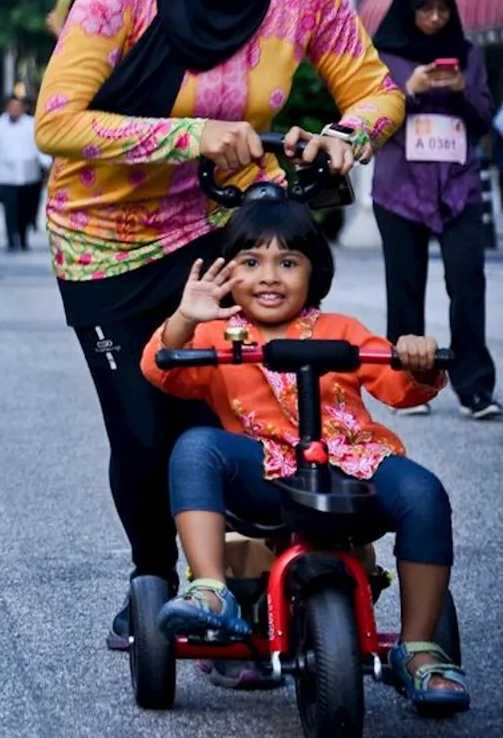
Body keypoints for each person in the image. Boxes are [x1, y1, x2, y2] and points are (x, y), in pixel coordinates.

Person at [35, 0, 404, 649]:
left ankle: (257, 581)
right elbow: (56, 120)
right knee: (142, 425)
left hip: (231, 231)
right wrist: (190, 135)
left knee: (252, 410)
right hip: (107, 240)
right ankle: (154, 578)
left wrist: (346, 137)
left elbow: (379, 91)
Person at [142, 198, 467, 714]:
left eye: (287, 263)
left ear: (314, 271)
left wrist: (418, 362)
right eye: (250, 263)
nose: (268, 278)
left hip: (350, 466)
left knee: (424, 492)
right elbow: (163, 370)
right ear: (227, 273)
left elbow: (400, 388)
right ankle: (210, 589)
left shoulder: (340, 330)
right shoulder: (218, 333)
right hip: (265, 475)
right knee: (196, 447)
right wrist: (184, 319)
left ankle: (420, 646)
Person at [370, 0, 498, 419]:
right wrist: (410, 88)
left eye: (443, 8)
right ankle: (405, 382)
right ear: (409, 9)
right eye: (426, 9)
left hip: (457, 185)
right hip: (400, 187)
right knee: (404, 285)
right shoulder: (383, 53)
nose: (436, 18)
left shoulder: (468, 54)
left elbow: (484, 117)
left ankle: (475, 386)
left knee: (467, 279)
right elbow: (373, 118)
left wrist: (462, 90)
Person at [0, 95, 46, 252]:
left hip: (29, 175)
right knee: (10, 209)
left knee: (27, 209)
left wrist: (46, 163)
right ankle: (11, 239)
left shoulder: (32, 125)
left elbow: (40, 148)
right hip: (6, 176)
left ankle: (23, 238)